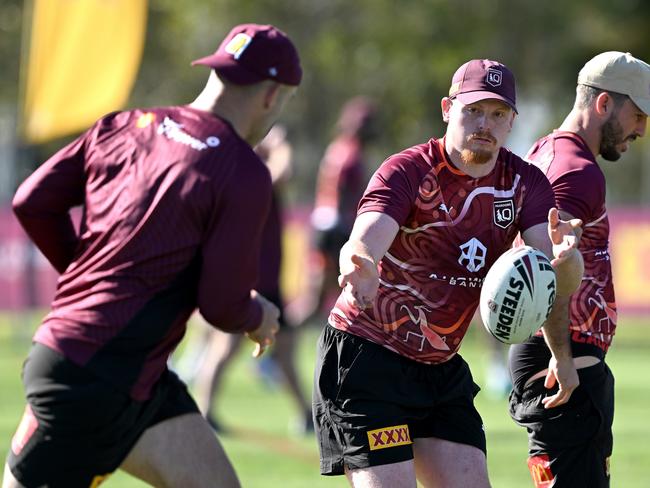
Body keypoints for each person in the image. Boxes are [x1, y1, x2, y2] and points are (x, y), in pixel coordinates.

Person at [3, 23, 301, 488]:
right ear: (272, 95)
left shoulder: (123, 125)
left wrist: (86, 279)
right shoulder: (242, 171)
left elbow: (31, 201)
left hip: (127, 374)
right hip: (90, 377)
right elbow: (222, 304)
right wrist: (256, 314)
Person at [312, 59, 584, 488]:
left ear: (512, 121)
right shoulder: (408, 169)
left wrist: (568, 267)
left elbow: (547, 277)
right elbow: (368, 235)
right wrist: (359, 263)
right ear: (447, 108)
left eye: (498, 114)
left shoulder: (526, 184)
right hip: (369, 359)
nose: (485, 124)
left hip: (440, 368)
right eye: (473, 110)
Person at [508, 51, 649, 487]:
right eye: (638, 115)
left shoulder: (548, 150)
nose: (642, 130)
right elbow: (547, 265)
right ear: (604, 104)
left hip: (558, 356)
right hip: (564, 362)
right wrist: (562, 356)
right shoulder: (577, 170)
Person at [191, 125, 313, 434]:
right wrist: (280, 144)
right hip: (251, 280)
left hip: (266, 278)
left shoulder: (246, 164)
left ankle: (306, 415)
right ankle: (203, 411)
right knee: (227, 347)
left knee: (283, 351)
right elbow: (283, 172)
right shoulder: (248, 170)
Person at [287, 97, 378, 328]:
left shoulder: (337, 147)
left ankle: (279, 342)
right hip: (334, 230)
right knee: (320, 298)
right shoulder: (352, 154)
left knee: (317, 300)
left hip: (324, 225)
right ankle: (278, 340)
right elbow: (344, 194)